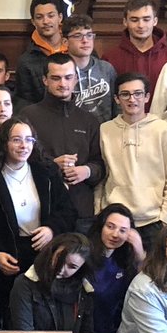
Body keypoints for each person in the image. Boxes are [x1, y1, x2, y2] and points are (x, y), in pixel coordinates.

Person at [0, 118, 76, 323]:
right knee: (12, 315)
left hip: (44, 250)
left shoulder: (47, 171)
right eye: (16, 140)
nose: (23, 145)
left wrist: (51, 229)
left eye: (29, 139)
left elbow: (68, 211)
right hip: (8, 253)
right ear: (4, 143)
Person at [19, 54, 105, 230]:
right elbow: (17, 162)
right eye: (56, 78)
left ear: (76, 79)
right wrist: (51, 165)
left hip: (82, 211)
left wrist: (87, 171)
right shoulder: (27, 116)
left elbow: (101, 164)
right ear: (45, 80)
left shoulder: (89, 120)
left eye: (68, 77)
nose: (63, 84)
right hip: (41, 211)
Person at [99, 72, 167, 251]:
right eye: (125, 94)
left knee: (150, 276)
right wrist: (100, 213)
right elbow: (102, 175)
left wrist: (165, 218)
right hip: (115, 220)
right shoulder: (105, 130)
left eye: (138, 94)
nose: (132, 99)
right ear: (116, 99)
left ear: (147, 97)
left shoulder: (163, 130)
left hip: (153, 221)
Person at [8, 233, 95, 333]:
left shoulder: (84, 290)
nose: (61, 269)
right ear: (52, 252)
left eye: (72, 267)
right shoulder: (25, 283)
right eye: (59, 258)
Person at [102, 0, 167, 105]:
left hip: (163, 120)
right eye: (134, 20)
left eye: (146, 19)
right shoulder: (110, 58)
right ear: (125, 22)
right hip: (124, 120)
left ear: (155, 21)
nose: (141, 25)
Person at [86, 204, 144, 333]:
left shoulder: (126, 260)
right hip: (86, 331)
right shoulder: (84, 254)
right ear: (101, 226)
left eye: (123, 231)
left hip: (115, 332)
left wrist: (140, 253)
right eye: (110, 227)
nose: (115, 234)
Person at [15, 0, 67, 105]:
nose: (46, 21)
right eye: (39, 17)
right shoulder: (26, 61)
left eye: (51, 16)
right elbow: (25, 103)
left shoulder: (76, 49)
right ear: (33, 22)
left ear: (60, 17)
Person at [63, 14, 116, 123]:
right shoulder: (60, 71)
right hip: (71, 132)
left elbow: (117, 103)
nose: (85, 40)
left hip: (104, 131)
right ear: (65, 42)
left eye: (89, 35)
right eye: (78, 35)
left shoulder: (106, 69)